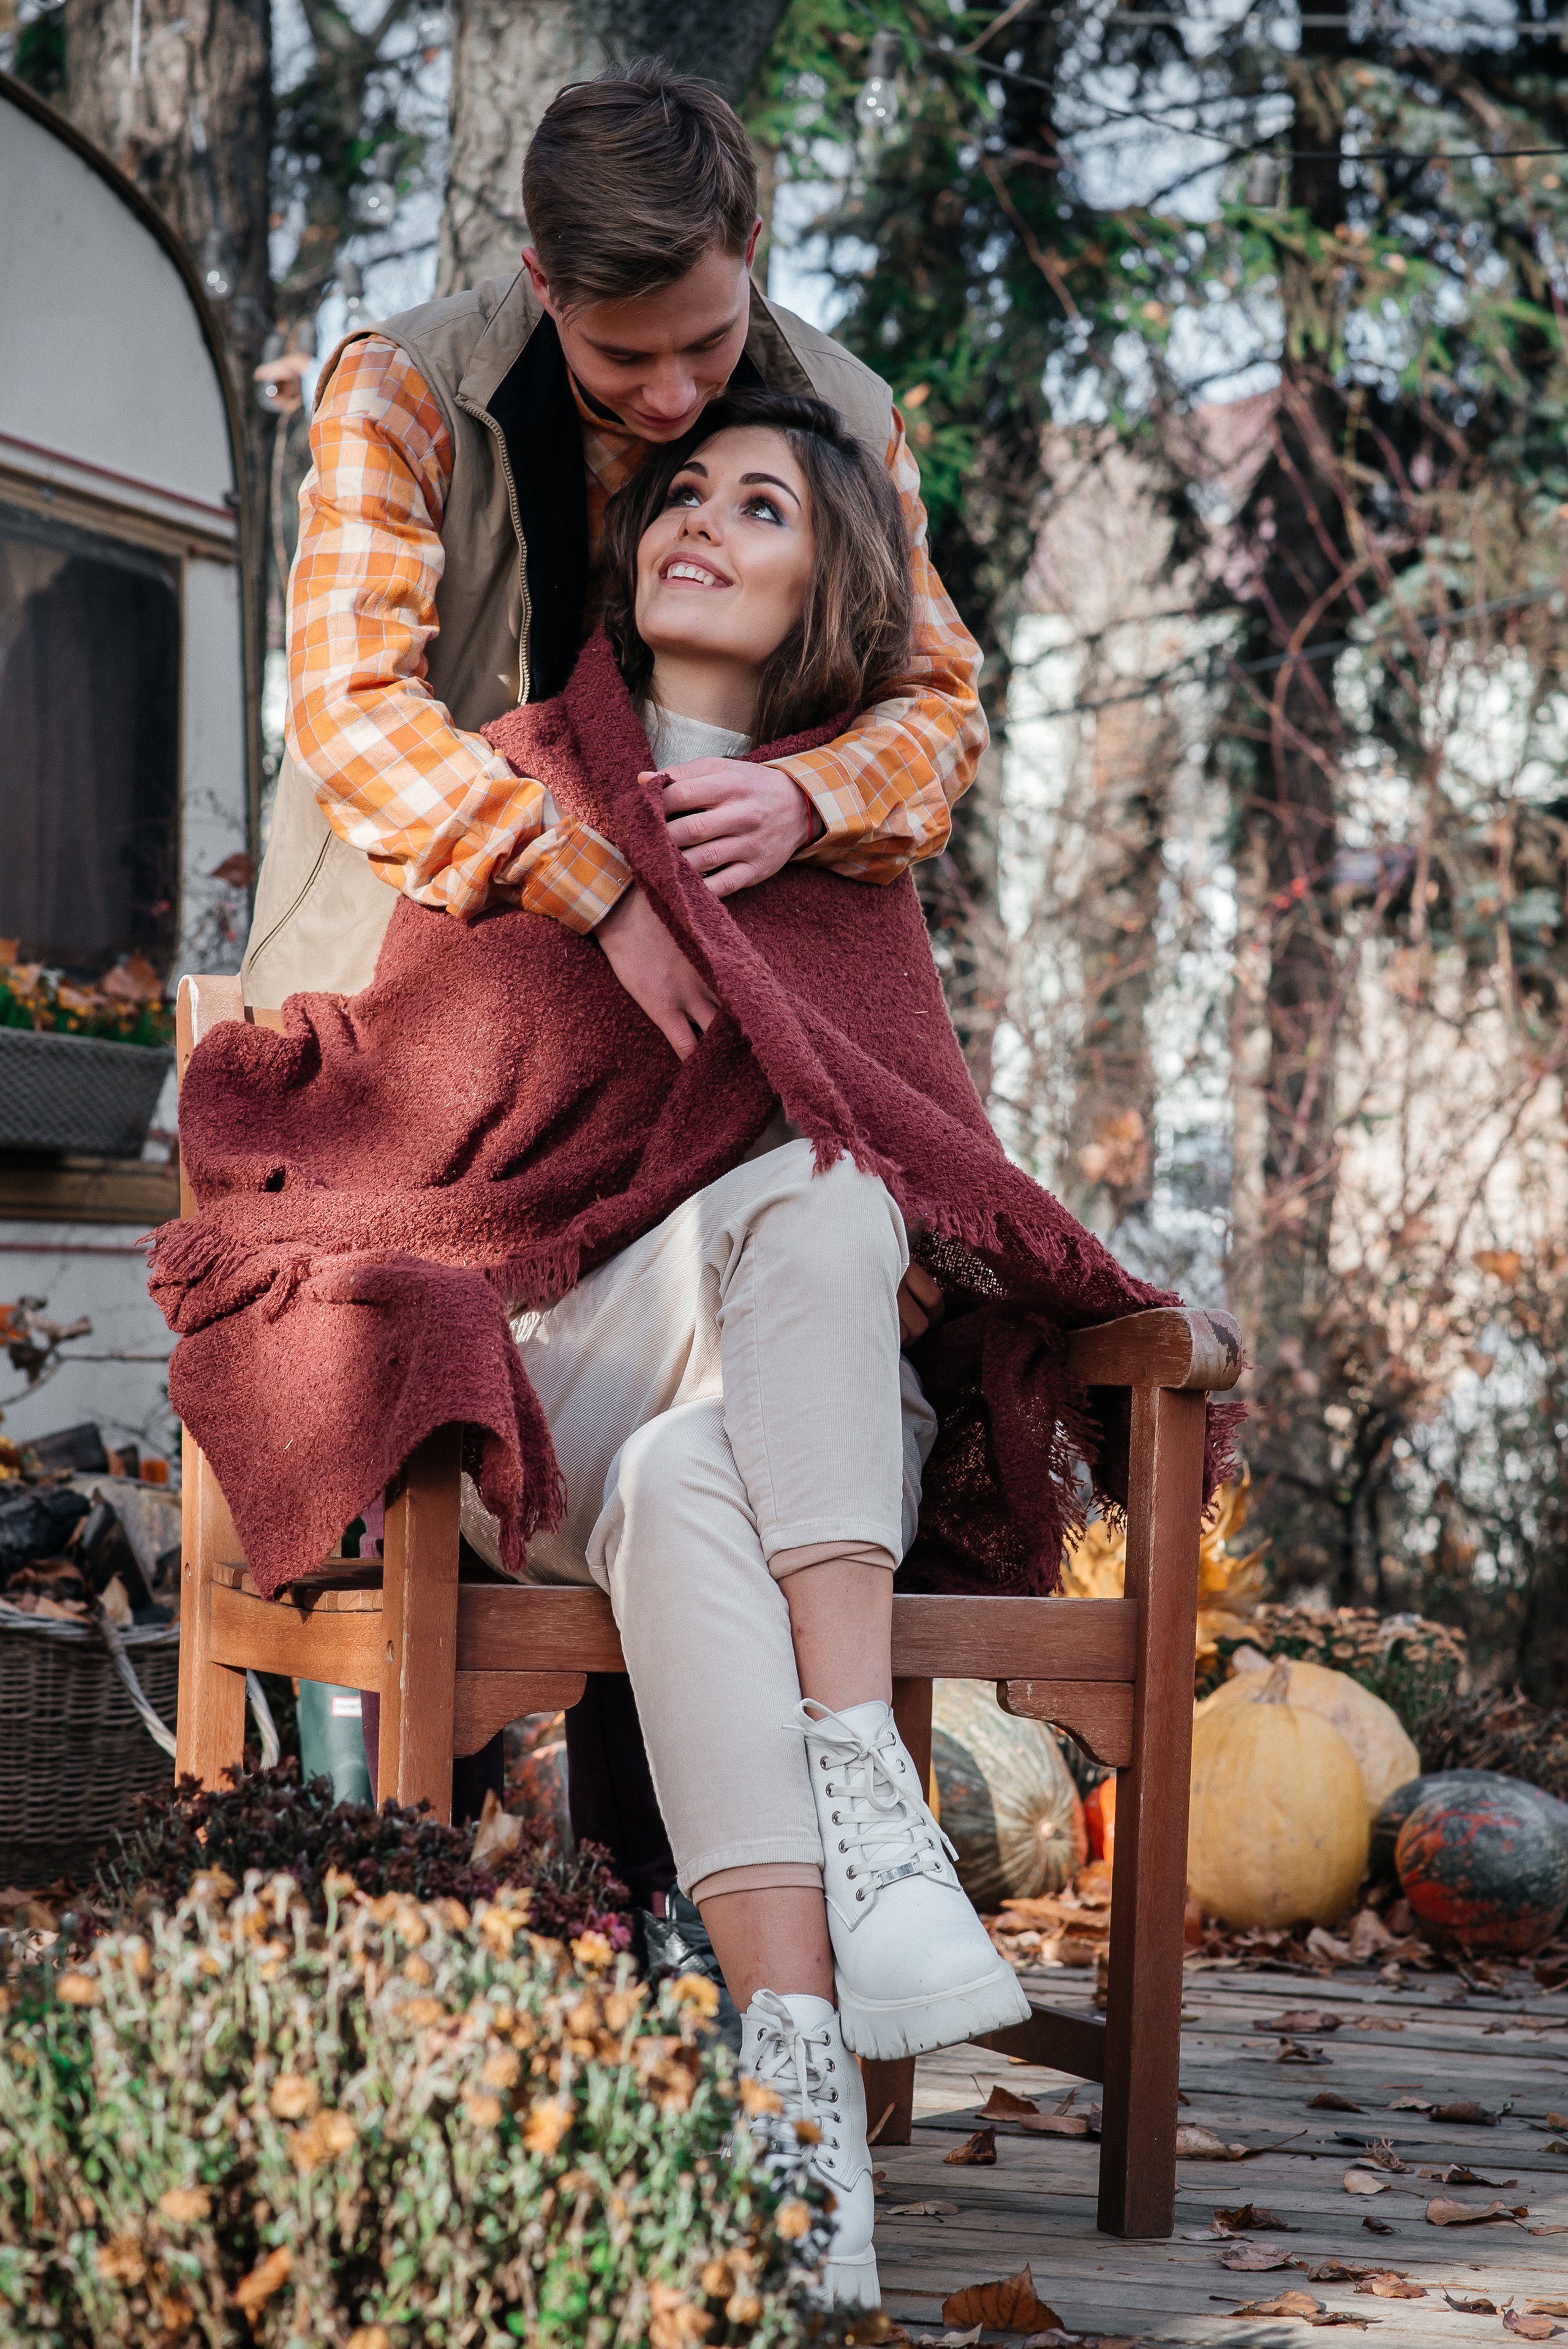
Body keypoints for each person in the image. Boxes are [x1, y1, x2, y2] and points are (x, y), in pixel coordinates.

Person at [243, 62, 986, 1918]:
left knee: (746, 1353)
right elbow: (353, 709)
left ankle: (675, 1901)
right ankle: (405, 1902)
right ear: (538, 281)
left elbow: (935, 705)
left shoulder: (843, 411)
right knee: (483, 1369)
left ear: (758, 255)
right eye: (620, 360)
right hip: (423, 1029)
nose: (670, 401)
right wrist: (597, 882)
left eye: (707, 350)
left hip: (702, 1056)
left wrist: (811, 793)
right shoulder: (407, 390)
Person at [453, 384, 1028, 2310]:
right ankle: (869, 1792)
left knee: (714, 1439)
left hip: (743, 1441)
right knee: (824, 1194)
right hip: (557, 1380)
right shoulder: (530, 787)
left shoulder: (854, 860)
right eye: (684, 491)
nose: (701, 516)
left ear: (828, 587)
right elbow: (445, 1125)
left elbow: (942, 1155)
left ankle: (795, 2100)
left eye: (762, 507)